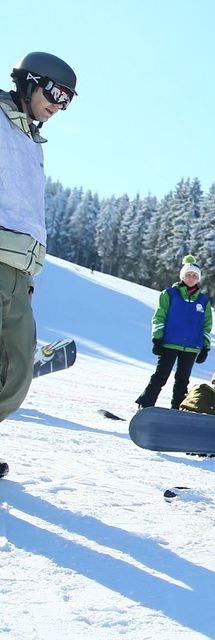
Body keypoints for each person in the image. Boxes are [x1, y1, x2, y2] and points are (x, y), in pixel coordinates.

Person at [1, 52, 78, 479]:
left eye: (68, 99)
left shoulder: (30, 140)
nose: (59, 104)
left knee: (16, 370)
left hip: (18, 270)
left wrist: (29, 273)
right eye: (55, 92)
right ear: (29, 82)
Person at [135, 256, 212, 410]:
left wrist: (205, 347)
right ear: (183, 276)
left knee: (183, 381)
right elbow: (159, 316)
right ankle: (145, 405)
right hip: (170, 342)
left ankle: (177, 410)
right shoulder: (169, 294)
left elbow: (207, 325)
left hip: (191, 346)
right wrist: (157, 339)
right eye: (189, 275)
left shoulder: (203, 301)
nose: (191, 278)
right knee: (161, 375)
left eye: (195, 276)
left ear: (198, 279)